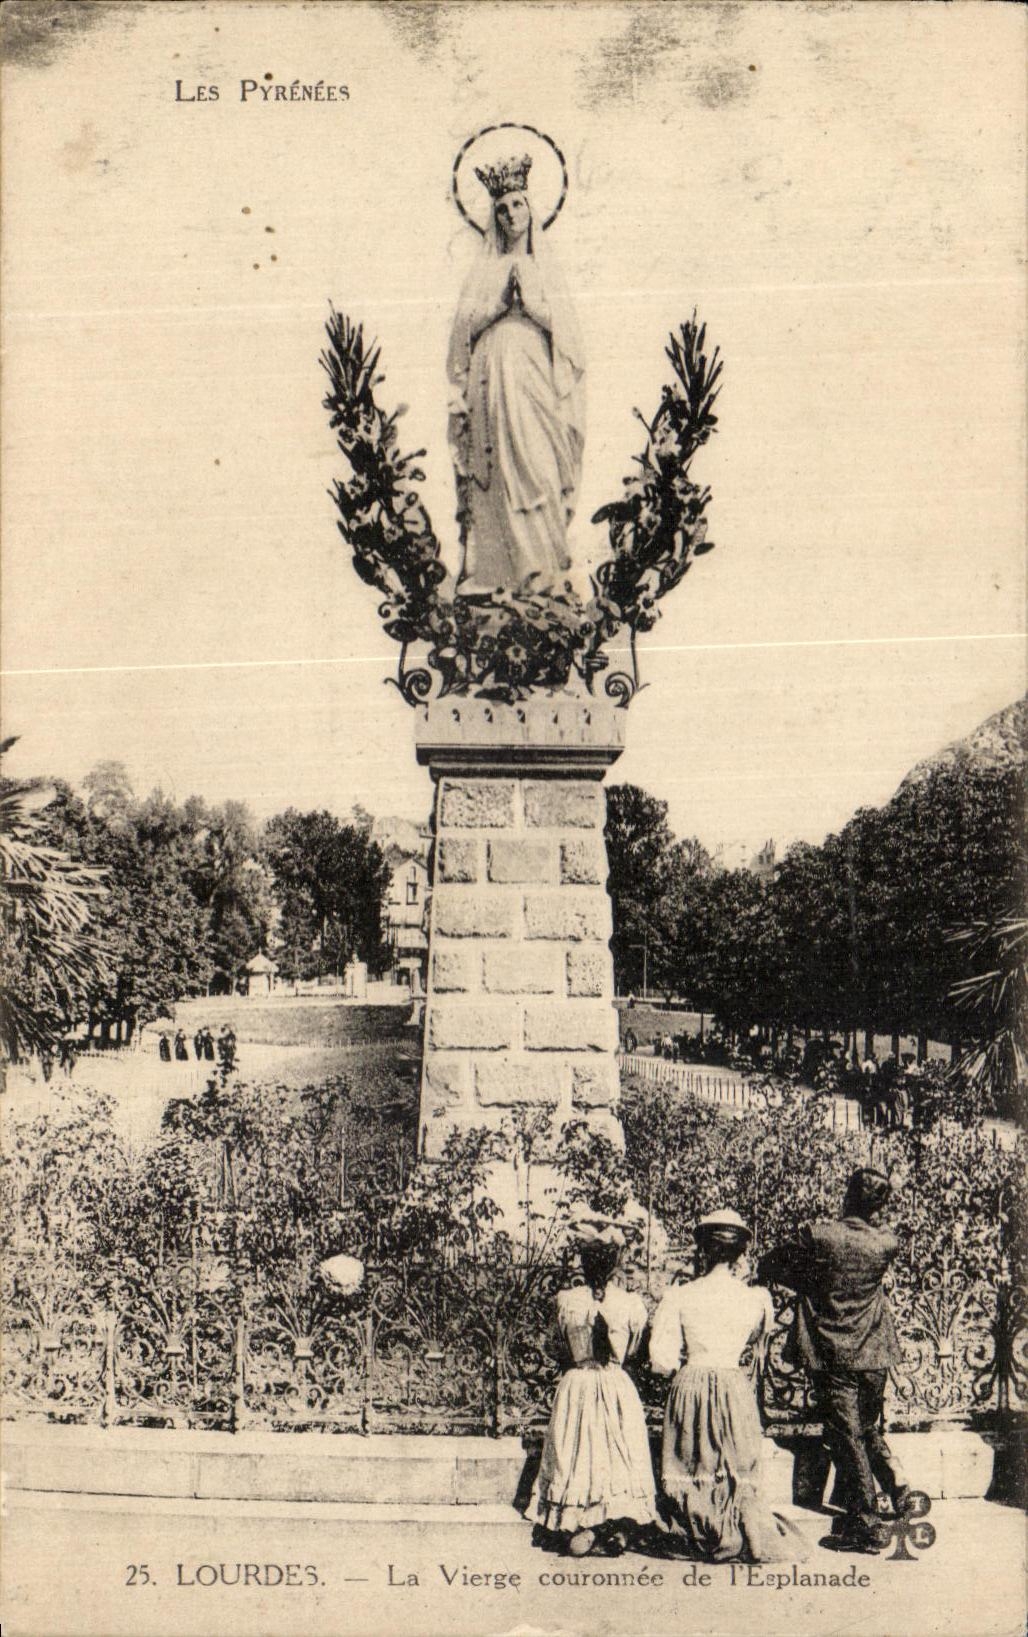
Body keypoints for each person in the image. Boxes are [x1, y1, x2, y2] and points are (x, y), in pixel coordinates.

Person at [447, 153, 585, 597]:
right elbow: (461, 337)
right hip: (490, 378)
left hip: (532, 378)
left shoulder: (545, 268)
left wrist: (531, 308)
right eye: (503, 208)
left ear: (531, 208)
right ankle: (499, 573)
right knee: (499, 467)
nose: (511, 214)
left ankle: (542, 571)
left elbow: (571, 341)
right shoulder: (484, 271)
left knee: (536, 459)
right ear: (494, 214)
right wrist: (498, 307)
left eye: (518, 205)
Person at [757, 1169, 911, 1553]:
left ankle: (866, 1525)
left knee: (848, 1435)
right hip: (876, 1352)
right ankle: (900, 1490)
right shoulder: (887, 1243)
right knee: (864, 1428)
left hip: (835, 1351)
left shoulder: (819, 1235)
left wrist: (812, 1284)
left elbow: (771, 1263)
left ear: (848, 1196)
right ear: (879, 1204)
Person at [649, 1209, 803, 1563]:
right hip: (734, 1386)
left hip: (692, 1383)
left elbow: (661, 1359)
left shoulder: (680, 1295)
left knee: (694, 1460)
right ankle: (737, 1523)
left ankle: (698, 1527)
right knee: (734, 1462)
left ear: (702, 1249)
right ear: (740, 1253)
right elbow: (754, 1340)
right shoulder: (755, 1299)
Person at [531, 1209, 657, 1556]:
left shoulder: (566, 1301)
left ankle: (581, 1524)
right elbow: (633, 1350)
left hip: (578, 1383)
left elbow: (555, 1345)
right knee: (618, 1451)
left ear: (583, 1262)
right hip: (615, 1383)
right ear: (617, 1263)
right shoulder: (632, 1304)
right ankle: (613, 1526)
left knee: (578, 1450)